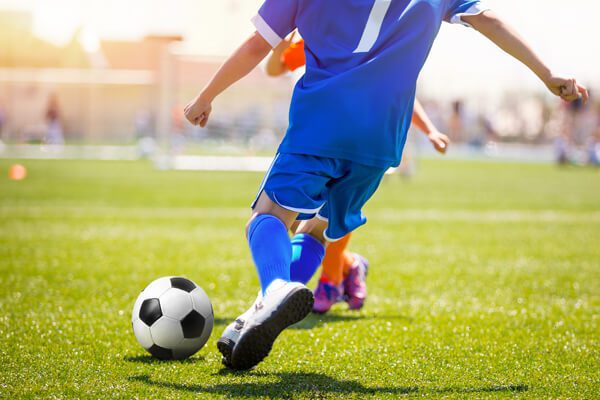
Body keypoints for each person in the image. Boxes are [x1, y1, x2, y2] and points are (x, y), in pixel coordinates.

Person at [185, 0, 587, 371]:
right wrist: (547, 74)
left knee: (268, 218)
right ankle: (263, 308)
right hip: (382, 140)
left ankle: (272, 289)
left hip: (323, 121)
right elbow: (489, 19)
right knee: (320, 229)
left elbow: (260, 47)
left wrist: (206, 95)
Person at [265, 36, 450, 314]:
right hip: (316, 137)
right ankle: (350, 265)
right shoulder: (326, 30)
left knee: (334, 214)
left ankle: (331, 281)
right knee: (299, 221)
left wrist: (430, 130)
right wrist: (279, 43)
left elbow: (400, 91)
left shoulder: (384, 35)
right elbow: (276, 67)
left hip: (364, 144)